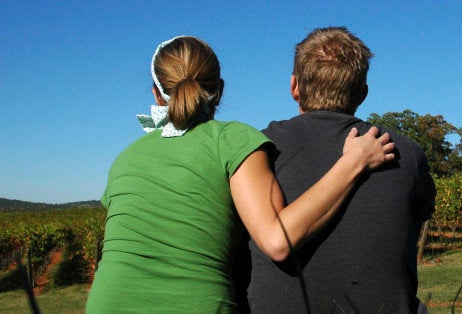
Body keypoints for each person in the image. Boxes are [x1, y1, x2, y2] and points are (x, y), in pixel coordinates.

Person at [85, 35, 395, 313]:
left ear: (156, 94)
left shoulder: (124, 158)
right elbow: (277, 240)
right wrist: (352, 162)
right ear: (219, 90)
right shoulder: (232, 140)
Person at [244, 27, 436, 313]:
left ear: (294, 86)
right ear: (362, 92)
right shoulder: (405, 152)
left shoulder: (257, 150)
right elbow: (420, 215)